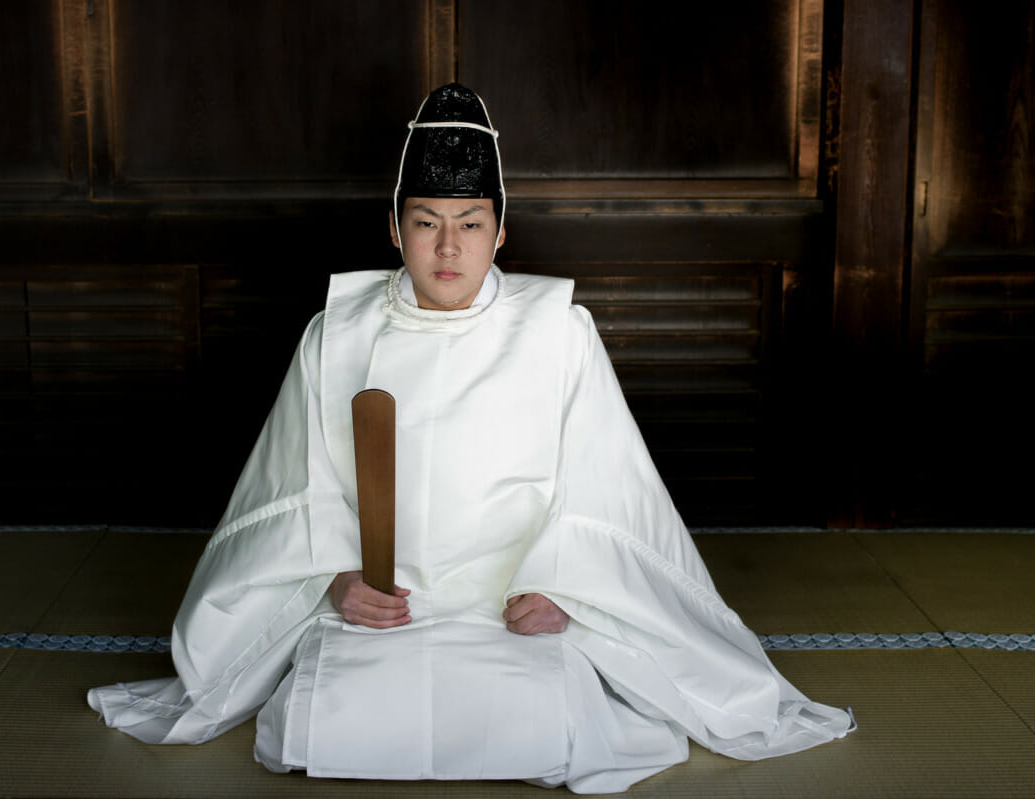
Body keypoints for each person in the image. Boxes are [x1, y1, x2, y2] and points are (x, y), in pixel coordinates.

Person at [87, 83, 852, 793]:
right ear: (393, 226)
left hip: (512, 606)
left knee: (548, 728)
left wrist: (568, 593)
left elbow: (607, 488)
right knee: (321, 729)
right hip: (384, 607)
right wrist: (336, 581)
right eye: (426, 222)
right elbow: (297, 489)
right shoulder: (337, 332)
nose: (447, 249)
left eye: (469, 224)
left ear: (500, 230)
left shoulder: (558, 331)